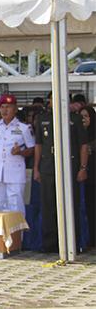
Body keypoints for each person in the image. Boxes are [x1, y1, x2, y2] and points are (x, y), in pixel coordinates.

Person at [33, 100, 89, 252]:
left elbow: (83, 145)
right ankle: (49, 244)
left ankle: (72, 243)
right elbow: (38, 145)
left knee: (71, 205)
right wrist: (36, 168)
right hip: (48, 167)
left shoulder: (74, 119)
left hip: (70, 166)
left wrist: (83, 167)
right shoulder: (43, 119)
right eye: (52, 99)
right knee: (48, 206)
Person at [0, 94, 35, 218]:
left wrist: (20, 152)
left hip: (15, 174)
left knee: (16, 208)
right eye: (2, 107)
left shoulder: (24, 128)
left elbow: (31, 149)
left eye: (9, 107)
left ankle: (16, 237)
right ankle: (0, 238)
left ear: (15, 109)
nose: (5, 110)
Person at [79, 106, 95, 247]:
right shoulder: (77, 133)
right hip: (83, 177)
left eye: (86, 116)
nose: (83, 119)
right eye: (81, 116)